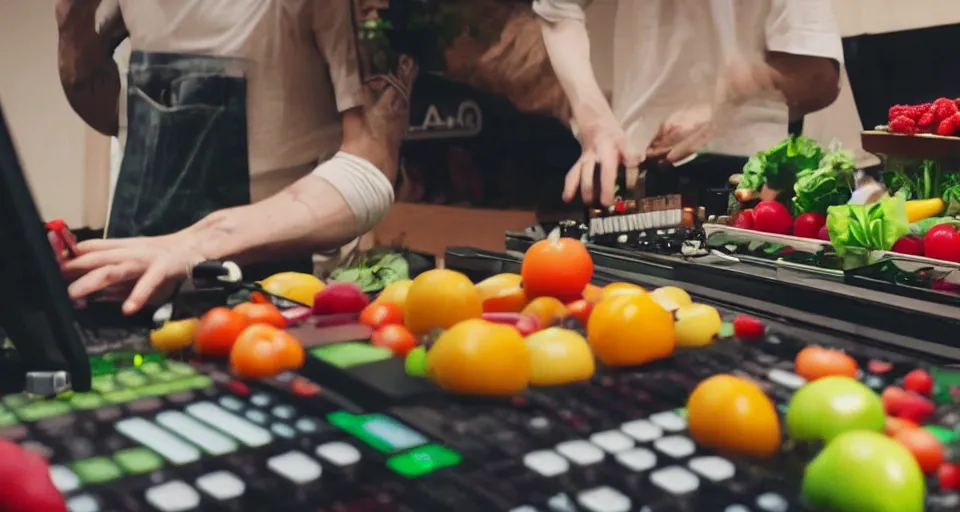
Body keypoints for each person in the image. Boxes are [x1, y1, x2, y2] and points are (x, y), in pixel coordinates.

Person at [57, 0, 410, 314]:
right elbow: (113, 119)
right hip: (137, 285)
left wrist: (199, 241)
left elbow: (371, 169)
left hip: (273, 300)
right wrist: (72, 21)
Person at [533, 0, 845, 206]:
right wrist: (594, 122)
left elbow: (820, 78)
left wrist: (729, 100)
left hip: (745, 177)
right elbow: (557, 9)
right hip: (634, 166)